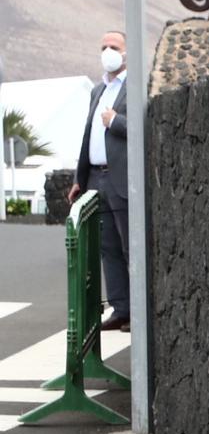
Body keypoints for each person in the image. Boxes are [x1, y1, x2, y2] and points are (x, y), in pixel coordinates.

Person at [68, 31, 131, 332]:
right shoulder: (97, 90)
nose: (108, 51)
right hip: (95, 177)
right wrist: (80, 178)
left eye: (114, 47)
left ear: (127, 52)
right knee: (107, 248)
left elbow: (146, 126)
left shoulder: (134, 86)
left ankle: (139, 311)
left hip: (120, 178)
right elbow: (87, 137)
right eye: (103, 46)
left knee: (130, 245)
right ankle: (121, 309)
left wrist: (115, 122)